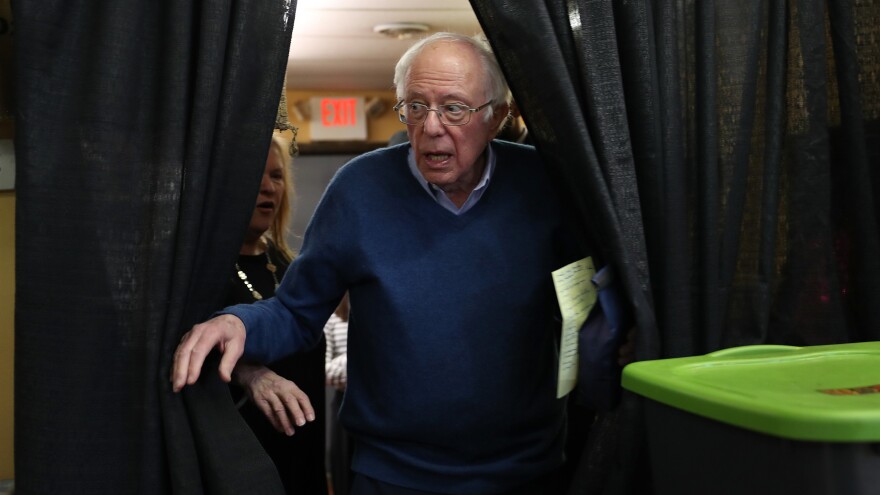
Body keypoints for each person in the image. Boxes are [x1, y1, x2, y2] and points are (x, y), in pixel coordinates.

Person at [173, 32, 630, 494]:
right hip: (390, 476)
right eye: (415, 106)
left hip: (527, 471)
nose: (431, 127)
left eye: (454, 108)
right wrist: (238, 324)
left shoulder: (545, 183)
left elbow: (596, 292)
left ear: (496, 117)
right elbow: (295, 311)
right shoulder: (359, 188)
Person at [224, 133, 328, 495]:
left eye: (277, 176)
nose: (268, 188)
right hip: (242, 463)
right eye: (257, 176)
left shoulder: (291, 266)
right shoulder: (200, 275)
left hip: (303, 457)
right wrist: (248, 372)